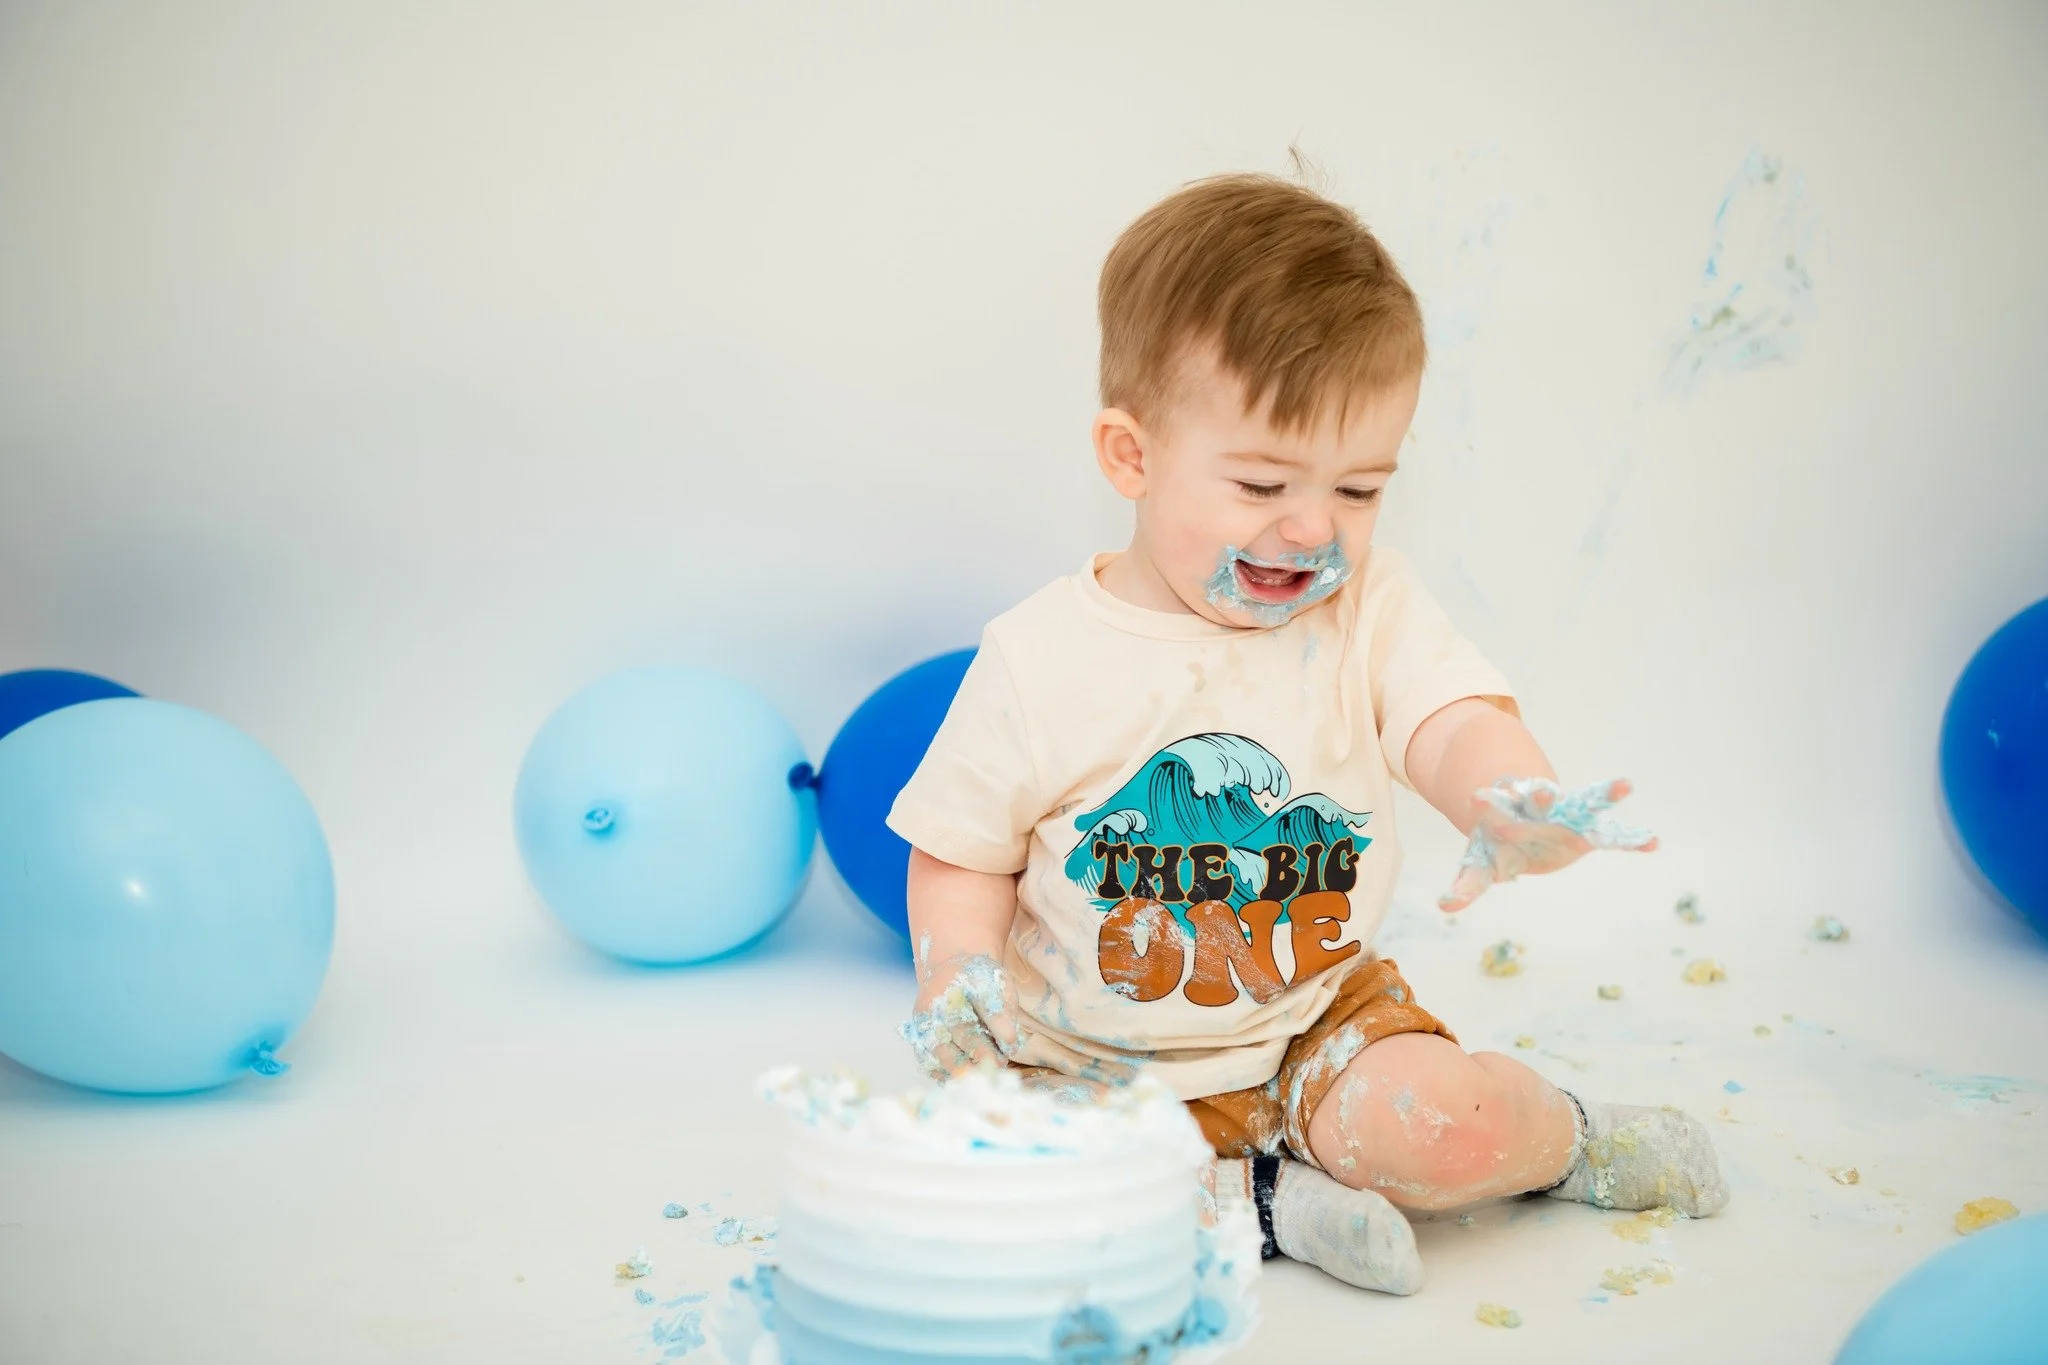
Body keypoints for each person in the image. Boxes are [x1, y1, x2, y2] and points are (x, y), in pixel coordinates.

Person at [888, 172, 1727, 1295]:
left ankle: (1564, 1141)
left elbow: (1446, 715)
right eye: (1260, 482)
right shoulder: (1038, 660)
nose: (1310, 528)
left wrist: (1505, 794)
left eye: (1359, 489)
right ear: (1130, 457)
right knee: (993, 1183)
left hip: (1310, 1026)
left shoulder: (1362, 608)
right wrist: (954, 980)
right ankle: (1270, 1208)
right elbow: (959, 849)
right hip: (1082, 1064)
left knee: (1442, 1125)